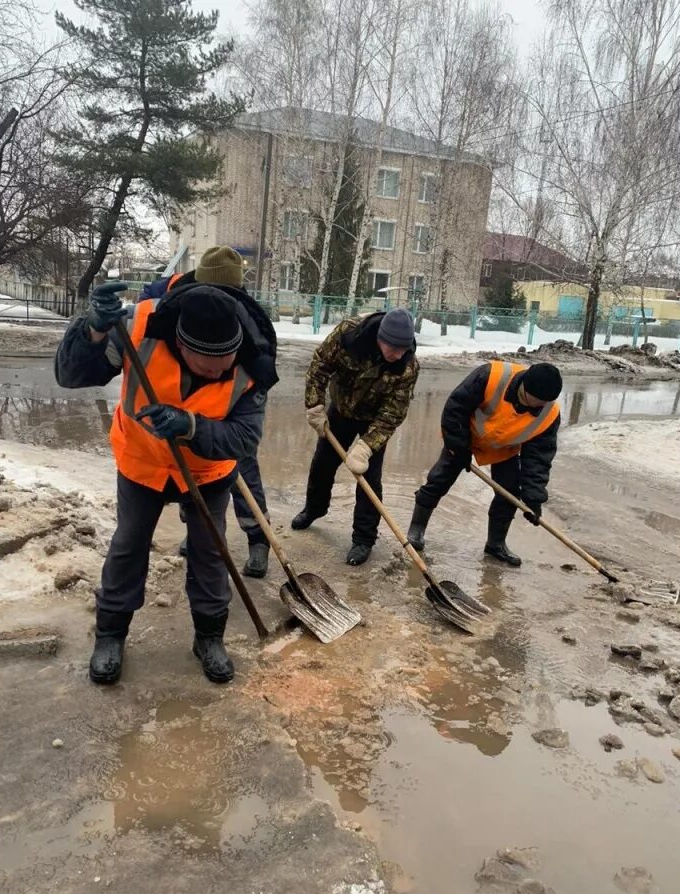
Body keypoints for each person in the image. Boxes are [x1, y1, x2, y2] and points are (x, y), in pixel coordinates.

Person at [55, 280, 268, 686]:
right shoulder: (138, 330)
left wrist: (191, 425)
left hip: (208, 471)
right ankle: (110, 635)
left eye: (226, 362)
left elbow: (245, 438)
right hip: (142, 461)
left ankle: (209, 637)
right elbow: (70, 375)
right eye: (208, 366)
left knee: (210, 551)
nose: (219, 372)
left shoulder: (254, 356)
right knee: (129, 545)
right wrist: (92, 331)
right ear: (181, 346)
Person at [141, 246, 278, 579]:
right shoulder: (170, 296)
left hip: (229, 412)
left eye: (226, 292)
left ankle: (258, 540)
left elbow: (262, 367)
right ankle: (197, 531)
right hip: (181, 412)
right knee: (192, 479)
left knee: (244, 472)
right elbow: (145, 312)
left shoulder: (246, 316)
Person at [292, 307, 419, 566]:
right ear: (380, 338)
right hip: (341, 410)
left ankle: (364, 539)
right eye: (392, 348)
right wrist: (314, 405)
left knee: (369, 478)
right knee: (322, 465)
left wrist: (366, 446)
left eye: (402, 350)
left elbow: (393, 414)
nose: (396, 355)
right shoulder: (348, 335)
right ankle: (314, 509)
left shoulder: (407, 367)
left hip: (374, 421)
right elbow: (319, 366)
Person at [406, 360, 562, 566]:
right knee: (439, 479)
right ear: (524, 387)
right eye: (534, 402)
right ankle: (416, 529)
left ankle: (496, 544)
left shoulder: (549, 413)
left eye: (542, 404)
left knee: (509, 493)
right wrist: (458, 447)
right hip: (464, 436)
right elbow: (455, 409)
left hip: (505, 447)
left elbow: (538, 459)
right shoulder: (491, 376)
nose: (537, 408)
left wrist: (533, 498)